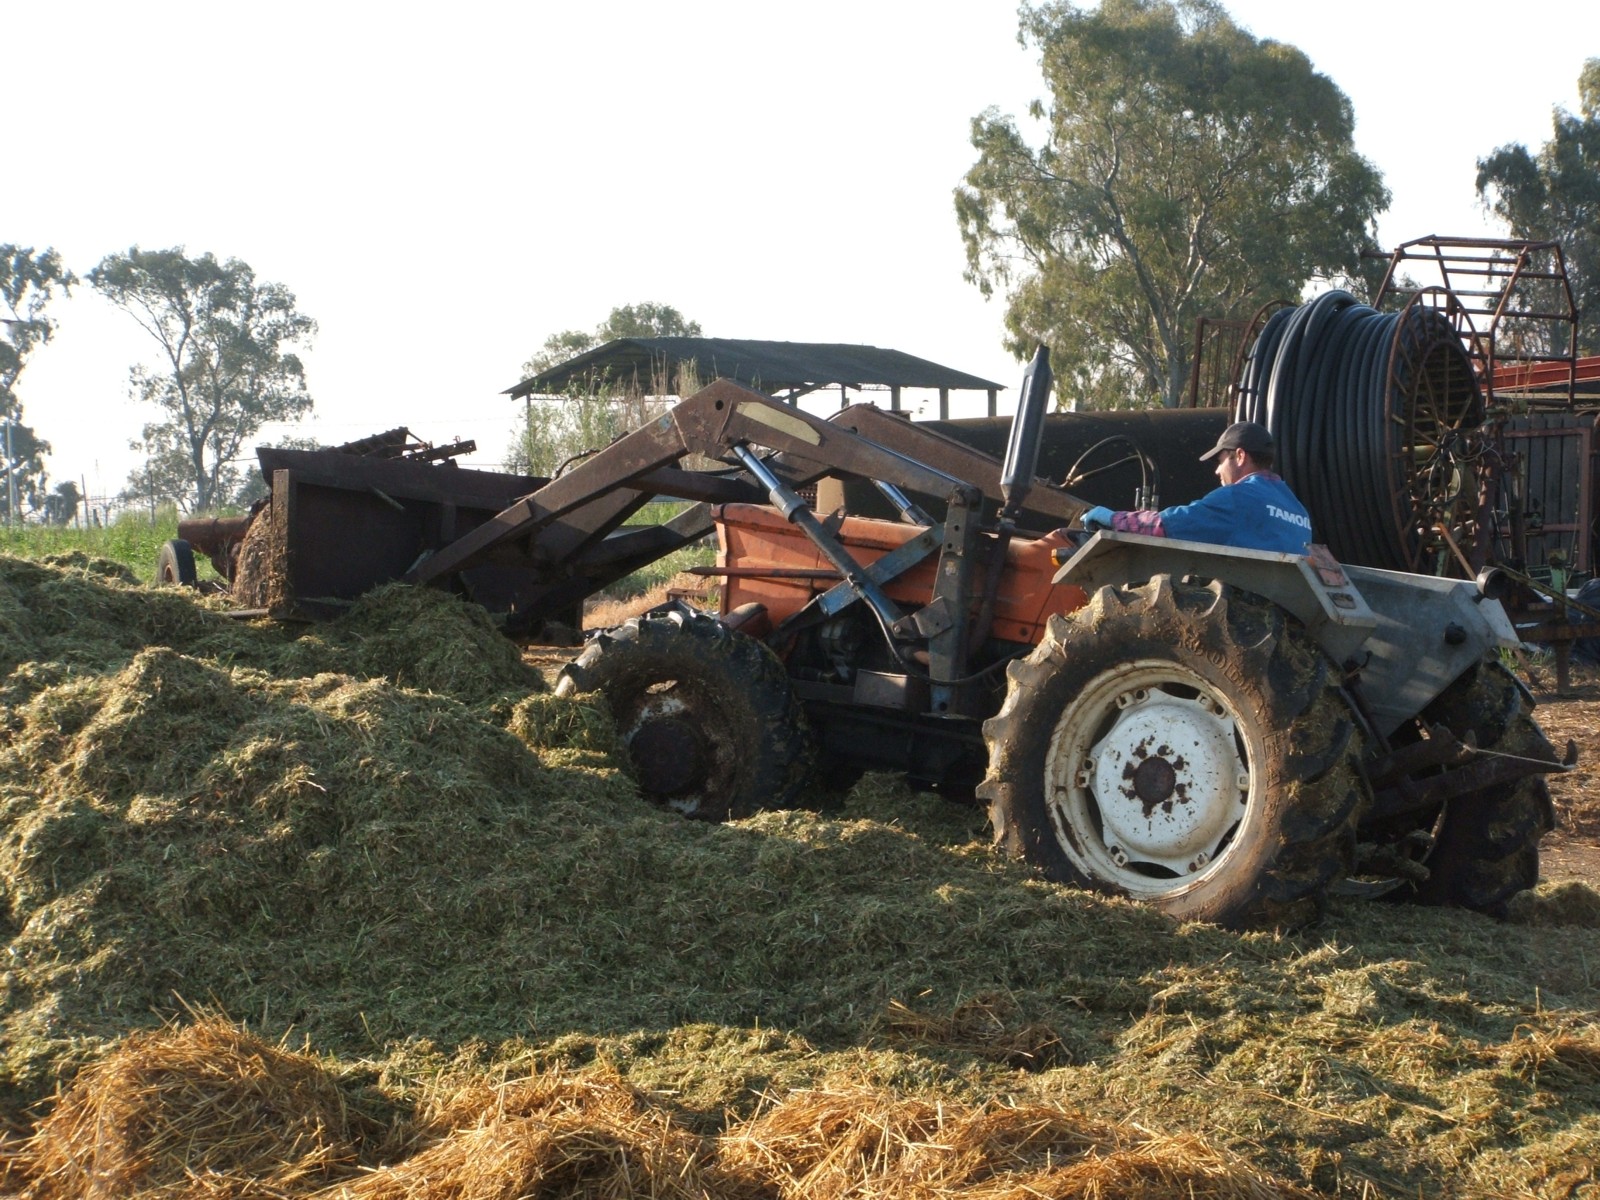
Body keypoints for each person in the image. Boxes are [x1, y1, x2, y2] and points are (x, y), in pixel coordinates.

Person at [1079, 421, 1312, 554]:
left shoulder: (1237, 498)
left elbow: (1166, 525)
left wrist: (1113, 520)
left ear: (1240, 456)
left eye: (1220, 461)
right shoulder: (1298, 510)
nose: (1217, 471)